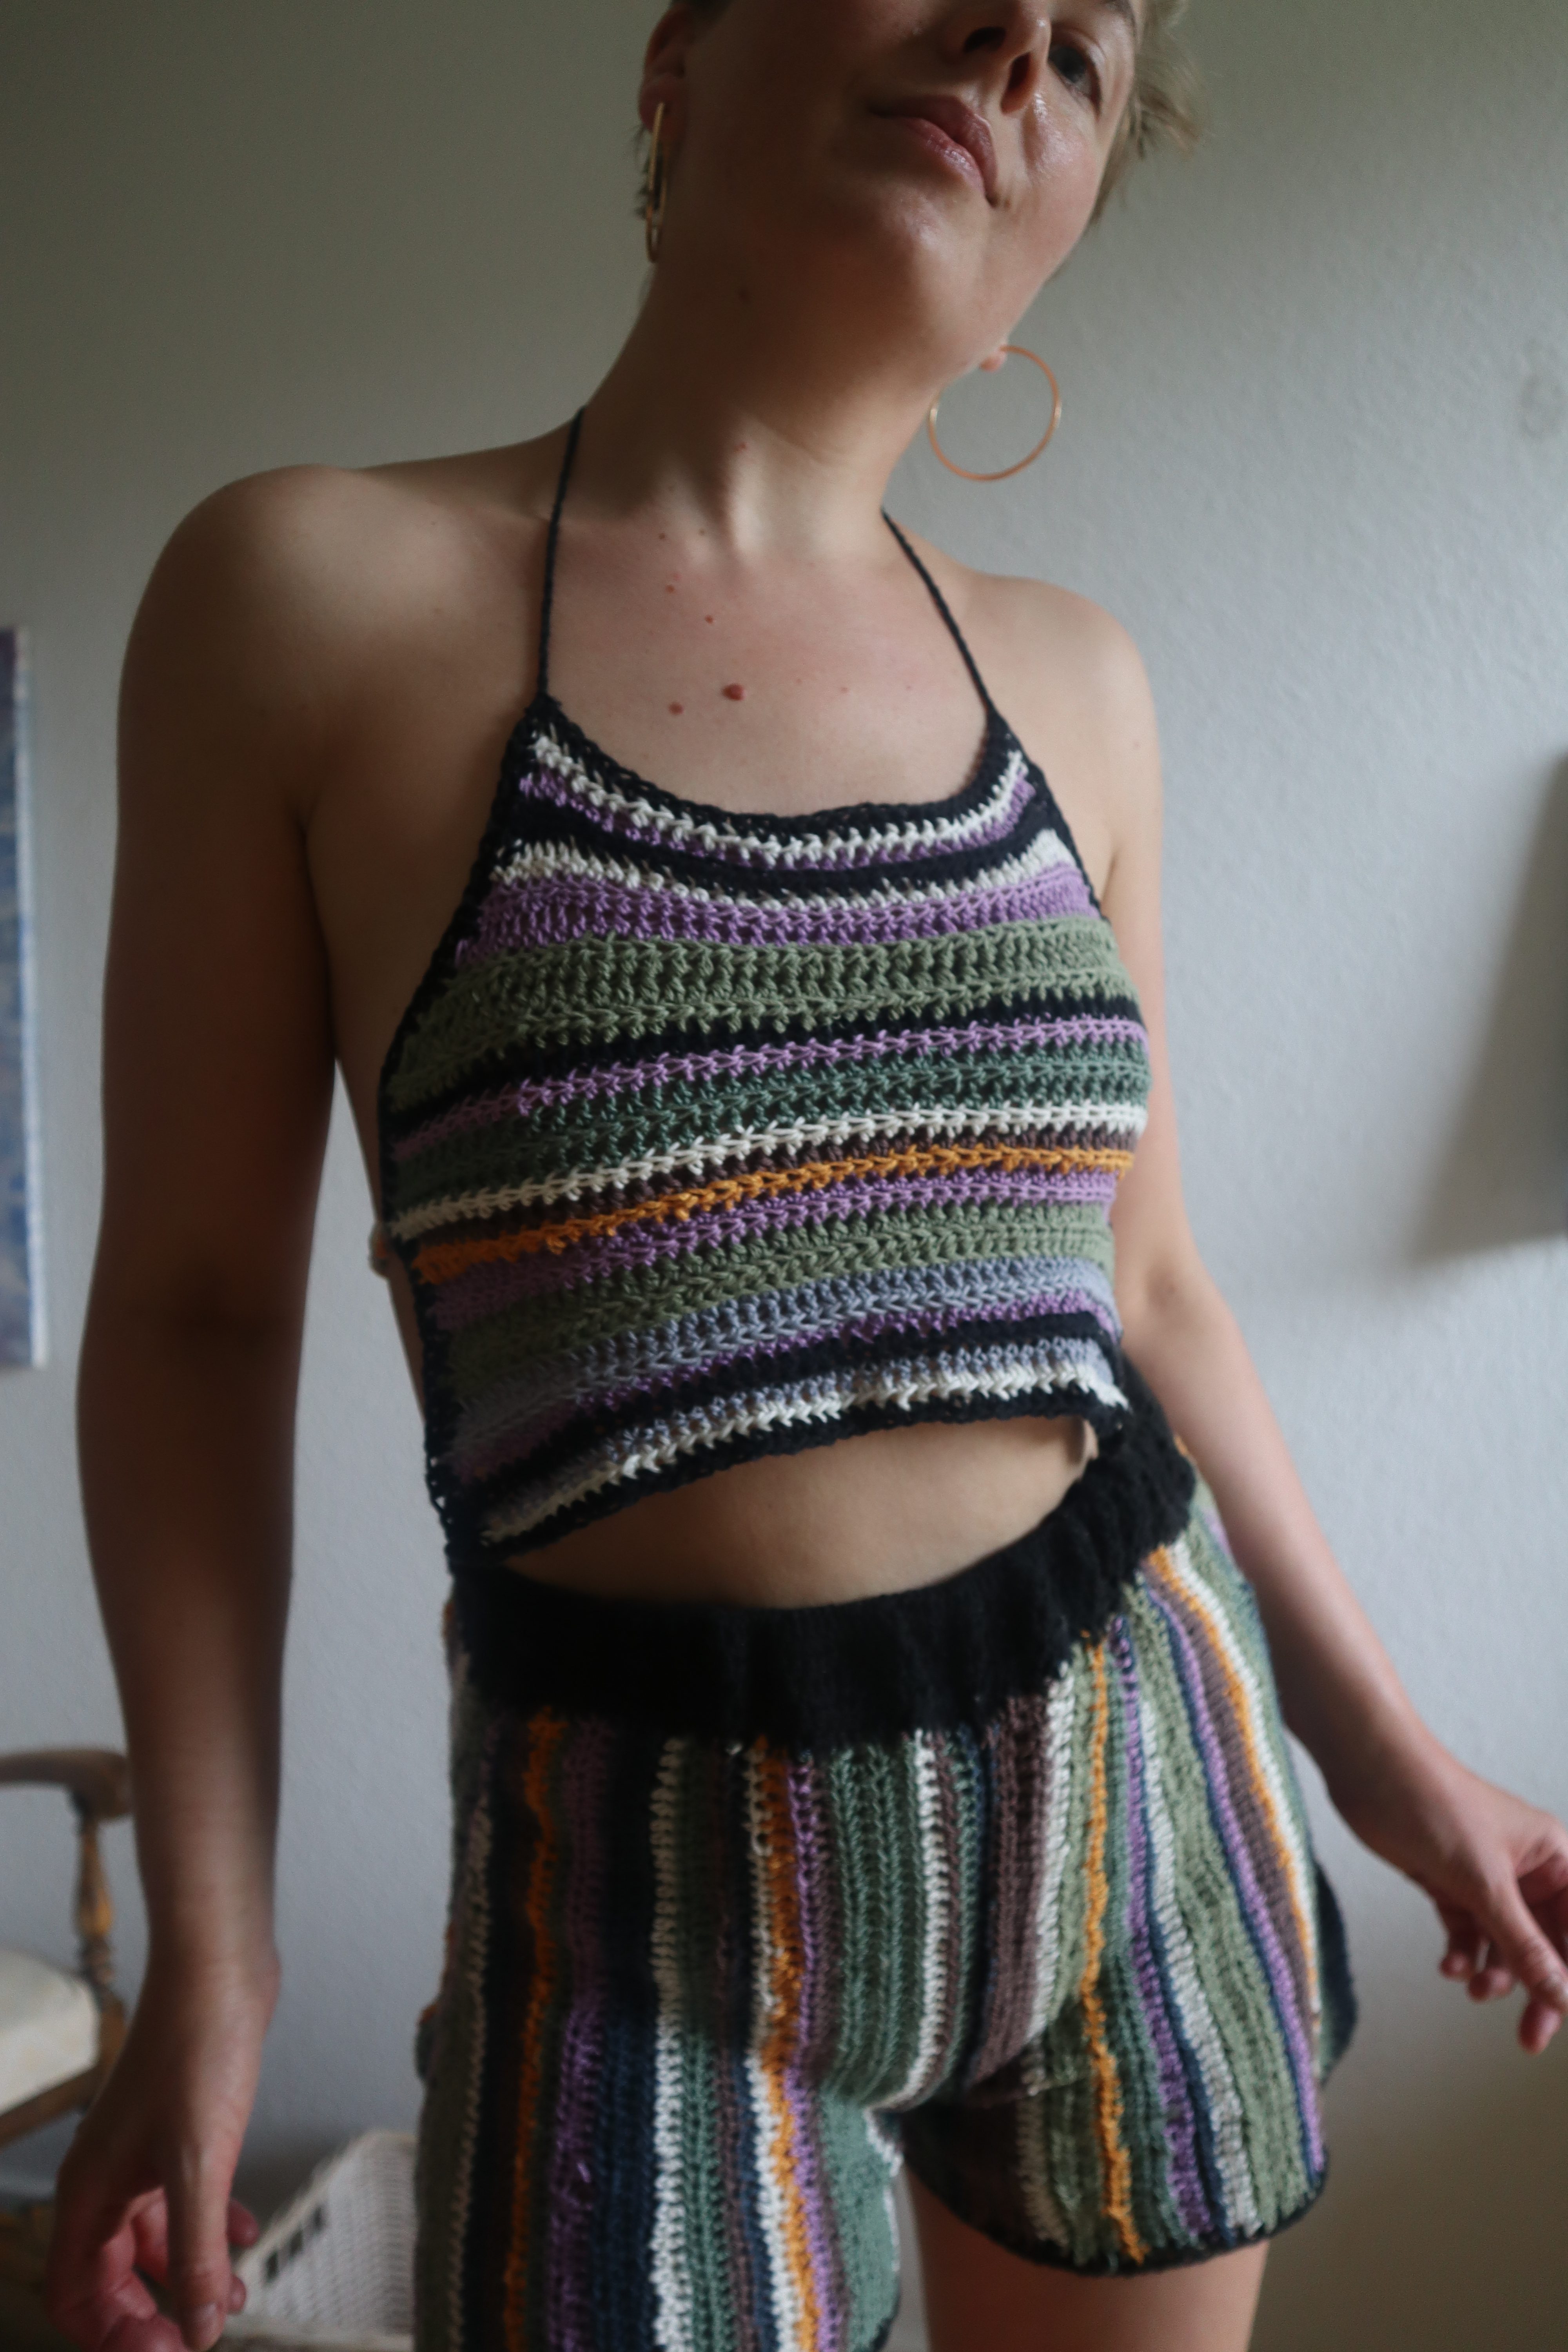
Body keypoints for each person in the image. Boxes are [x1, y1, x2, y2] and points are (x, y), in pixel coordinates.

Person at [44, 4, 1568, 2349]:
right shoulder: (308, 597)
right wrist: (212, 1959)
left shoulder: (1079, 687)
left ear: (1063, 238)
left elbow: (1152, 1291)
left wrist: (1390, 1760)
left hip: (1138, 1795)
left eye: (1088, 51)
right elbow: (193, 1319)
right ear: (682, 52)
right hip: (637, 1889)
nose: (1017, 40)